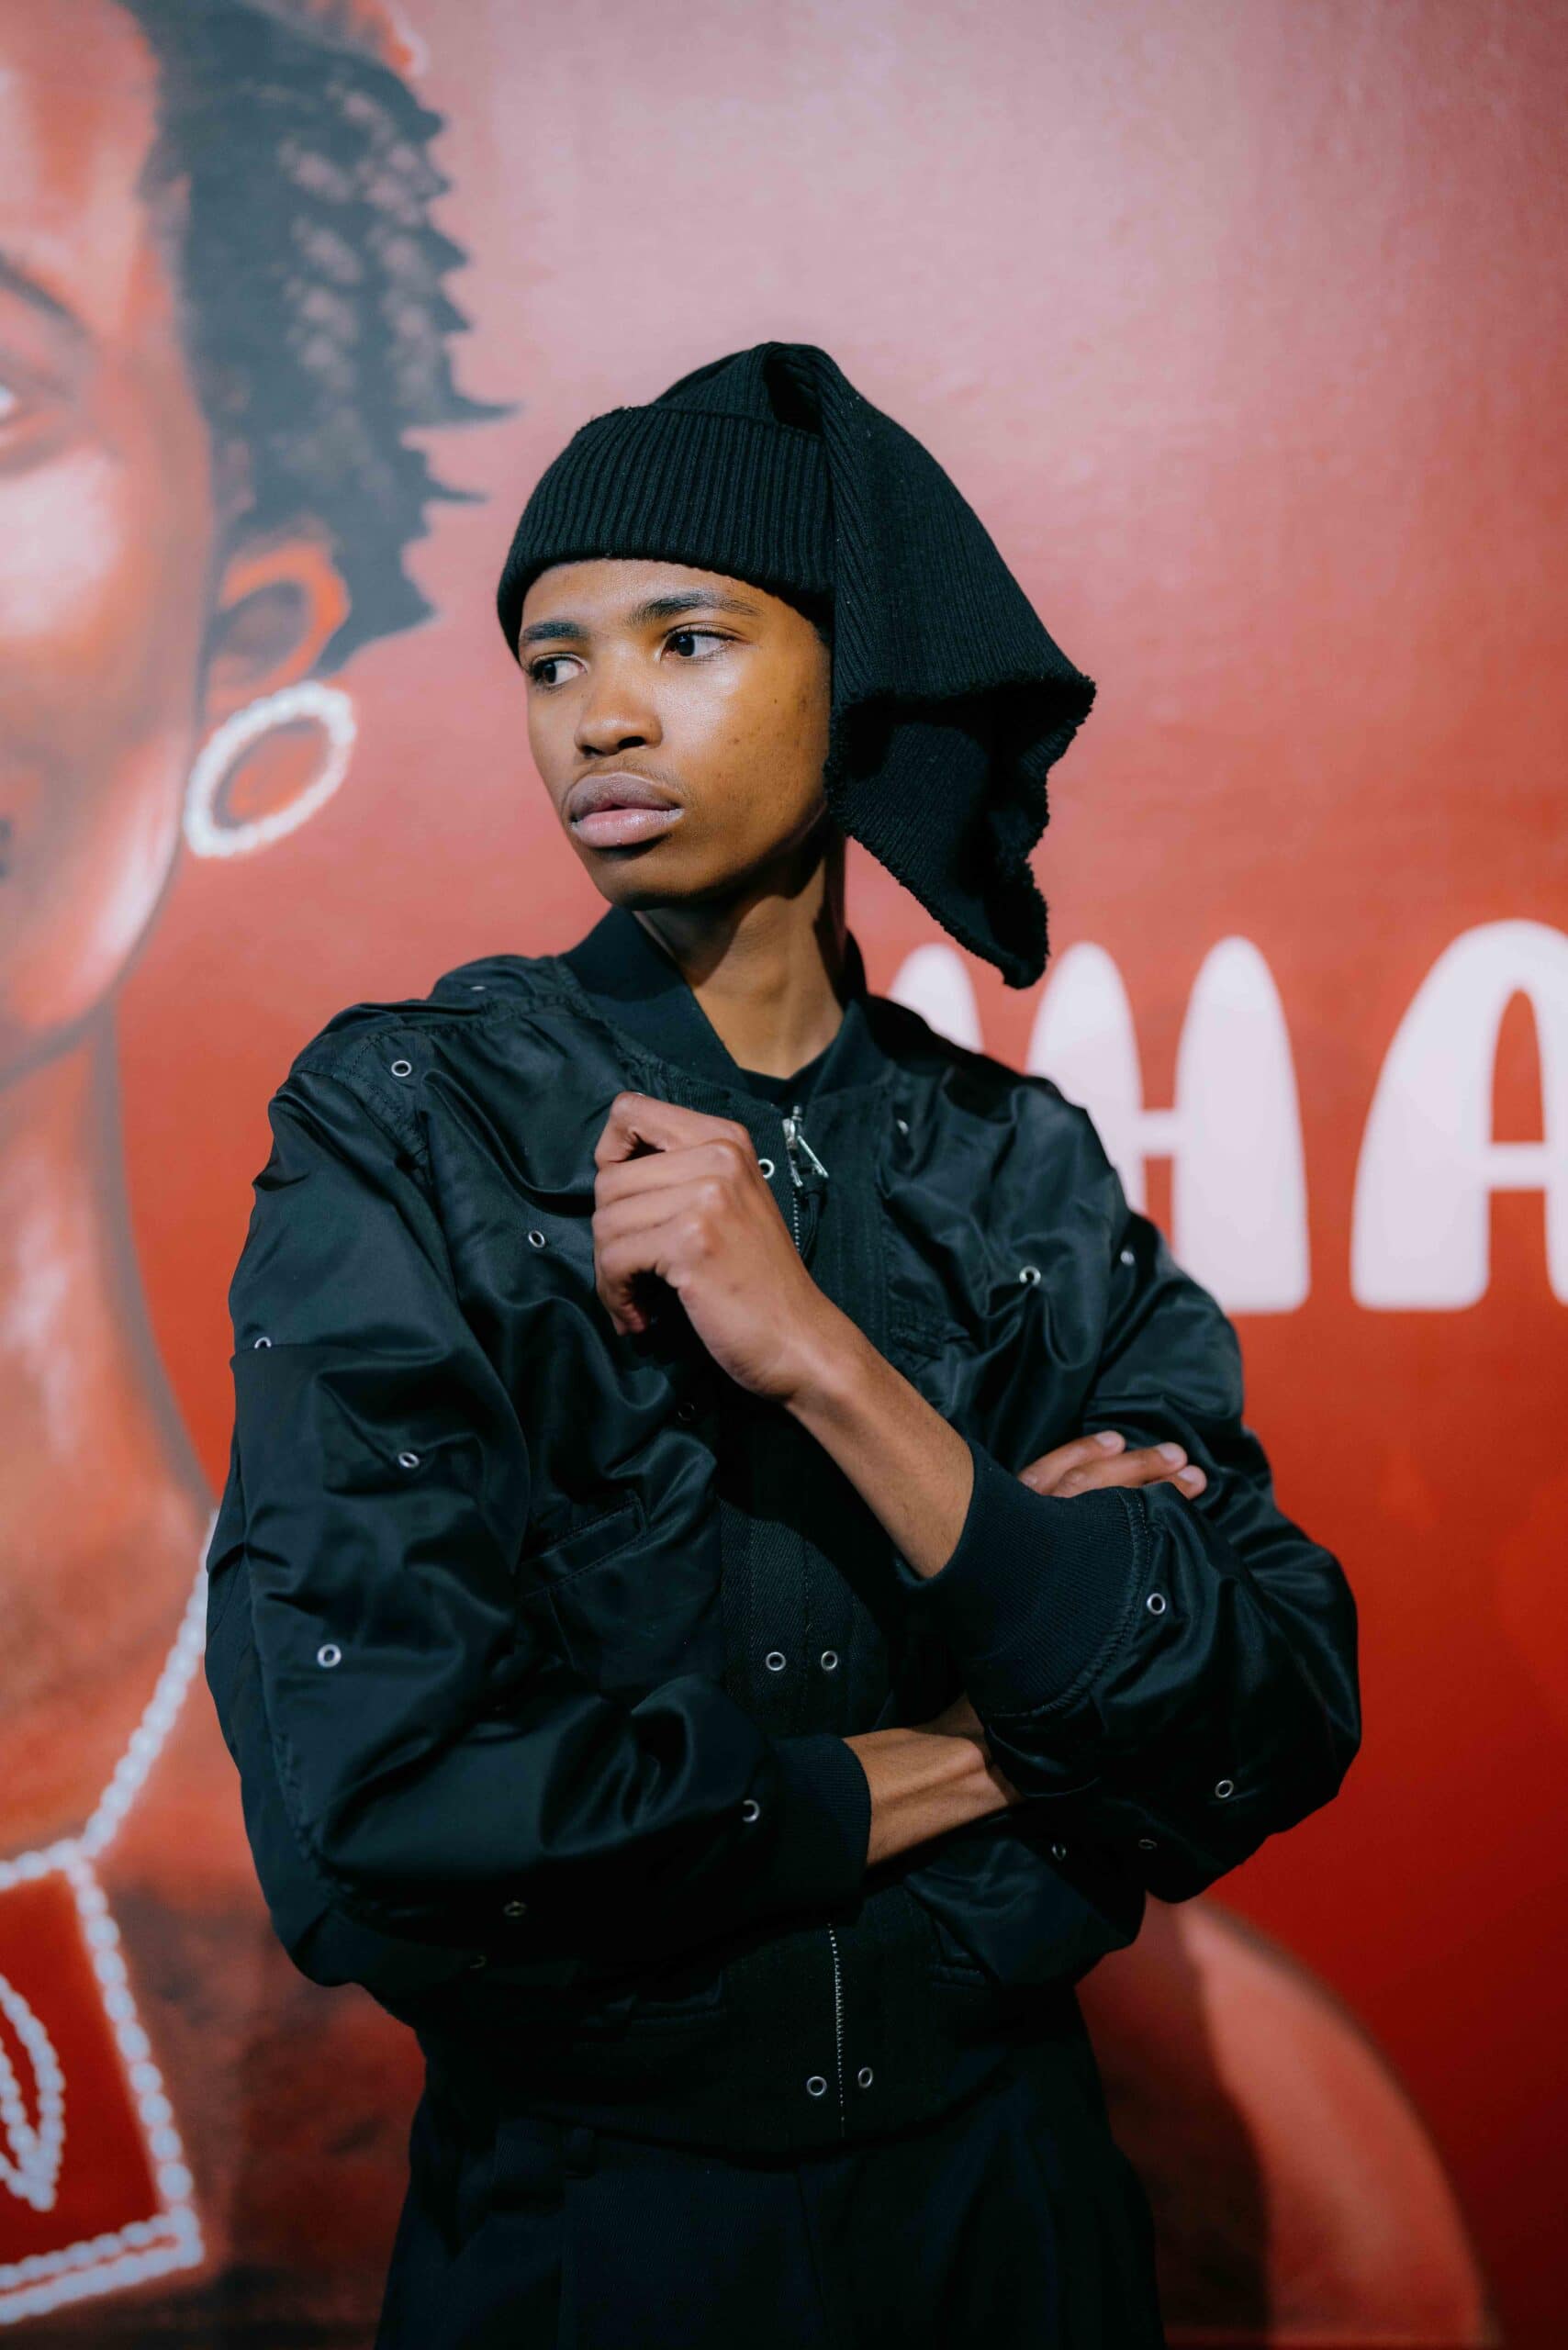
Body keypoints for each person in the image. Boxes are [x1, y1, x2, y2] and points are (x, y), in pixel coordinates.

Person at [204, 341, 1362, 2347]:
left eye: (686, 638)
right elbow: (383, 1812)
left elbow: (1266, 1701)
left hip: (1009, 2229)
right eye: (551, 661)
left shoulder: (1016, 1168)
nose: (601, 713)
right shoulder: (415, 1125)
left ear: (851, 682)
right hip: (586, 2249)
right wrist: (994, 1743)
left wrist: (827, 1358)